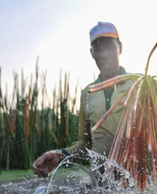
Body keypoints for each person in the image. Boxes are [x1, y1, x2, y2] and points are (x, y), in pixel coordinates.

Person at [33, 21, 134, 178]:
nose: (104, 54)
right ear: (92, 53)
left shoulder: (140, 85)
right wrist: (60, 154)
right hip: (101, 186)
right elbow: (87, 144)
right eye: (98, 48)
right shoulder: (87, 93)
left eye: (109, 46)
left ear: (120, 47)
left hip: (139, 185)